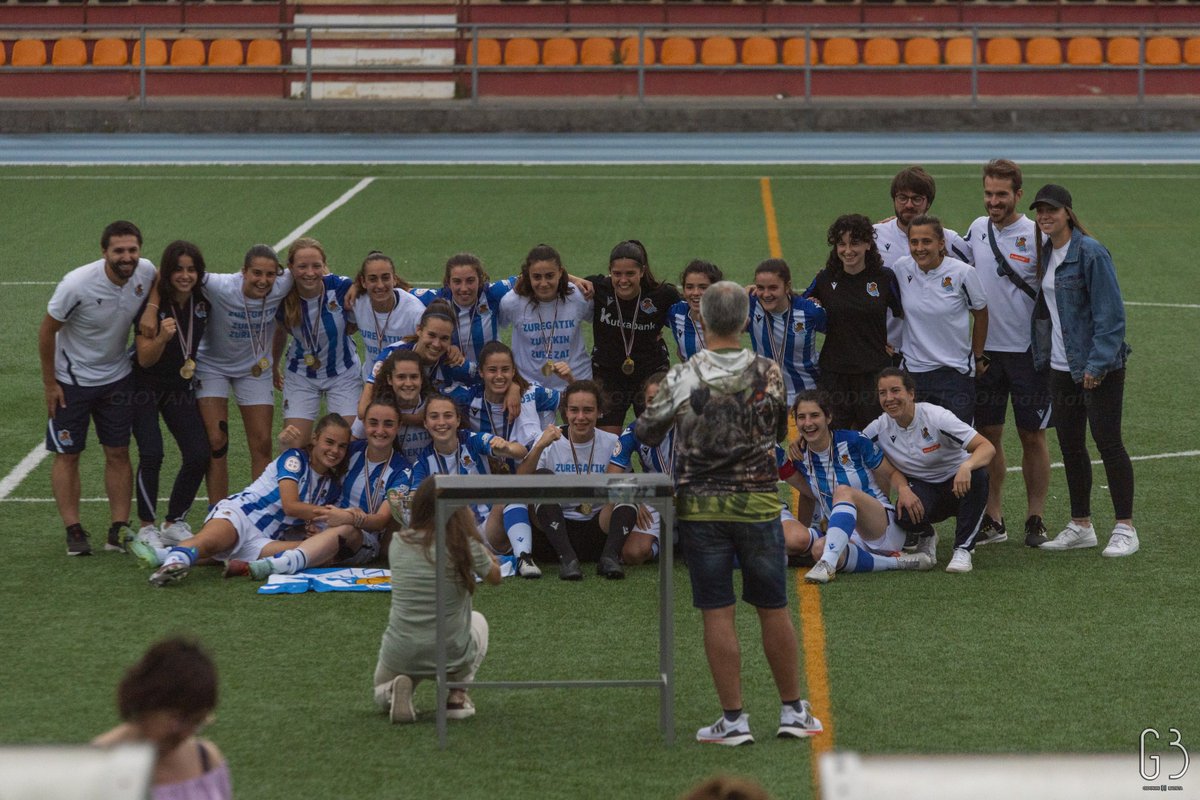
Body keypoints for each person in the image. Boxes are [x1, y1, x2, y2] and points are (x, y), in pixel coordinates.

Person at [636, 280, 822, 746]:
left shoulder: (682, 375)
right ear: (744, 320)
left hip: (700, 509)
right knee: (773, 608)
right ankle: (792, 711)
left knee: (717, 612)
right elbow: (780, 427)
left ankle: (734, 720)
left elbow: (645, 432)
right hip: (759, 505)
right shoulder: (769, 372)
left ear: (701, 319)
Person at [1029, 184, 1138, 557]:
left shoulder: (1090, 253)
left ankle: (1125, 527)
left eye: (1052, 210)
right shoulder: (1046, 252)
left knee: (1108, 443)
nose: (1045, 216)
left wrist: (1097, 363)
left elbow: (1111, 316)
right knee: (1071, 446)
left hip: (1097, 367)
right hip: (1060, 367)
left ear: (1068, 212)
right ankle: (1081, 524)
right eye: (1040, 211)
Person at [40, 220, 157, 556]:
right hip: (71, 382)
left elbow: (159, 277)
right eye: (119, 250)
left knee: (118, 452)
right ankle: (73, 529)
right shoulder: (76, 285)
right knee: (68, 454)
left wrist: (150, 307)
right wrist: (50, 383)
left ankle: (118, 528)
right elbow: (47, 331)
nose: (127, 257)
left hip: (117, 377)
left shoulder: (144, 271)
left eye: (132, 250)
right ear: (104, 251)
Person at [129, 414, 351, 587]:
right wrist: (329, 514)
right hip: (242, 515)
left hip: (263, 539)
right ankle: (170, 566)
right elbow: (290, 505)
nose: (334, 451)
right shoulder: (295, 459)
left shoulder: (332, 485)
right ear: (314, 439)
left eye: (342, 446)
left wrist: (312, 529)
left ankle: (162, 554)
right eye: (329, 442)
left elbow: (307, 520)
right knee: (211, 542)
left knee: (313, 550)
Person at [963, 159, 1053, 548]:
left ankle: (1036, 517)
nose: (993, 201)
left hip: (1030, 353)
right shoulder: (976, 230)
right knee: (989, 435)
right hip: (986, 354)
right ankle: (994, 517)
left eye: (1002, 194)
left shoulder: (1037, 234)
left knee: (1032, 435)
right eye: (988, 193)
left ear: (1018, 195)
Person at [373, 476, 501, 724]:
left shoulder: (398, 543)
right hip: (450, 651)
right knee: (479, 621)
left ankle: (396, 691)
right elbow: (495, 577)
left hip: (401, 650)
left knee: (379, 692)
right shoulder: (465, 545)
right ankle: (456, 696)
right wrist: (481, 548)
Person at [180, 244, 294, 504]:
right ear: (243, 272)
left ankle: (258, 509)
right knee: (217, 442)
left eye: (270, 274)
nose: (263, 281)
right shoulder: (219, 285)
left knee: (262, 443)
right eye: (256, 273)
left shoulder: (283, 284)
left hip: (254, 370)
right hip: (212, 367)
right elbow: (169, 272)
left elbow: (314, 269)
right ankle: (217, 509)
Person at [783, 391, 934, 583]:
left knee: (843, 491)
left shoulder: (853, 441)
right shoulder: (801, 456)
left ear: (828, 417)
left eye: (814, 415)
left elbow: (892, 473)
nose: (808, 423)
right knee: (819, 549)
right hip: (846, 533)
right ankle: (897, 562)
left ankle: (827, 564)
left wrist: (904, 490)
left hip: (881, 525)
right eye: (801, 417)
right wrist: (804, 529)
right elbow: (808, 495)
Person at [864, 368, 996, 574]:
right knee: (903, 512)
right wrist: (806, 440)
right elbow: (849, 445)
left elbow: (987, 447)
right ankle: (927, 534)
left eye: (895, 390)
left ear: (911, 393)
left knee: (979, 476)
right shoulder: (880, 427)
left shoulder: (937, 417)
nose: (889, 398)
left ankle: (963, 549)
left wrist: (966, 466)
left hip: (958, 484)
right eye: (883, 393)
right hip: (924, 488)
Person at [131, 240, 211, 548]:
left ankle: (174, 521)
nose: (185, 275)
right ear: (167, 272)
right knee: (152, 453)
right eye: (178, 269)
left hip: (179, 387)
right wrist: (163, 338)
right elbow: (144, 358)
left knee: (198, 453)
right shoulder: (151, 309)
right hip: (144, 388)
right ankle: (147, 526)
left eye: (191, 269)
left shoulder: (202, 302)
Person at [446, 341, 545, 578]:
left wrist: (517, 387)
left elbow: (568, 400)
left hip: (521, 479)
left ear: (514, 371)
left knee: (515, 492)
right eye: (492, 370)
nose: (499, 376)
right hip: (487, 490)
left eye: (505, 370)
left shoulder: (532, 394)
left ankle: (525, 557)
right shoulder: (465, 399)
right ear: (480, 372)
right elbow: (431, 398)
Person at [93, 637, 231, 800]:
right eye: (178, 719)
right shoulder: (94, 769)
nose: (185, 734)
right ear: (148, 702)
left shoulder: (207, 760)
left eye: (196, 722)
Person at [803, 214, 904, 431]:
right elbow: (796, 308)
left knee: (875, 438)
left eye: (855, 243)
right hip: (834, 374)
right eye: (842, 244)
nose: (848, 251)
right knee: (832, 438)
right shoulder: (825, 279)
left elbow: (907, 314)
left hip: (873, 374)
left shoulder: (885, 278)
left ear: (868, 244)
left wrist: (899, 349)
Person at [518, 381, 626, 580]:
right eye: (574, 410)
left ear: (599, 412)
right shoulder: (549, 439)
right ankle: (568, 559)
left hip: (598, 531)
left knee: (628, 483)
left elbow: (629, 484)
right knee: (541, 478)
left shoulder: (611, 442)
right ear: (565, 412)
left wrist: (638, 502)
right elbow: (519, 483)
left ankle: (609, 557)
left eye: (588, 410)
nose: (581, 417)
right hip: (554, 533)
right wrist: (539, 446)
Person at [891, 214, 989, 424]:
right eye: (914, 242)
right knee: (918, 443)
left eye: (927, 241)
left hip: (955, 374)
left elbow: (981, 314)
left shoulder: (963, 273)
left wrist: (979, 356)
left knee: (956, 446)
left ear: (941, 243)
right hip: (914, 374)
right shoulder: (901, 268)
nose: (920, 248)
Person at [874, 166, 971, 359]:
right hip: (887, 347)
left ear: (928, 203)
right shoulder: (874, 236)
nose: (909, 205)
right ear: (894, 199)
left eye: (917, 198)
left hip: (935, 353)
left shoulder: (949, 240)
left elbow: (978, 274)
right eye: (902, 198)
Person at [273, 238, 362, 443]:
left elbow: (356, 322)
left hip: (343, 372)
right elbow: (280, 331)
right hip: (301, 374)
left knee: (348, 443)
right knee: (294, 444)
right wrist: (273, 366)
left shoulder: (341, 288)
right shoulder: (282, 295)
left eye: (316, 266)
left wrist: (358, 286)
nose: (310, 273)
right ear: (290, 268)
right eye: (302, 266)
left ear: (324, 266)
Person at [586, 240, 681, 432]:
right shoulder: (598, 288)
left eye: (630, 274)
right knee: (608, 440)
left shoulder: (662, 295)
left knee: (656, 433)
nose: (623, 280)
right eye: (617, 274)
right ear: (609, 271)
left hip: (650, 372)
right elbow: (559, 279)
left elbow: (697, 304)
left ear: (642, 271)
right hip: (608, 373)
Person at [497, 244, 592, 391]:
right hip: (531, 386)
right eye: (537, 277)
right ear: (528, 275)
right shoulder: (512, 302)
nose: (543, 283)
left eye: (549, 276)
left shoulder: (579, 297)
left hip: (576, 379)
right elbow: (497, 325)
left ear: (560, 272)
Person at [747, 259, 827, 406]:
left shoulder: (810, 312)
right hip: (766, 395)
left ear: (787, 286)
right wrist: (741, 292)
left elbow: (840, 334)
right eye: (760, 287)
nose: (766, 294)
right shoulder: (750, 304)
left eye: (773, 288)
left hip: (807, 393)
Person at [349, 250, 425, 383]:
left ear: (394, 279)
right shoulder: (357, 302)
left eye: (385, 278)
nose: (380, 285)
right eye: (372, 279)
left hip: (404, 383)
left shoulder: (415, 311)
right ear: (363, 282)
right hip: (371, 380)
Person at [668, 260, 723, 362]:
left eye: (703, 287)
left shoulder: (728, 315)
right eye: (689, 287)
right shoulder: (676, 313)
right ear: (683, 291)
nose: (696, 293)